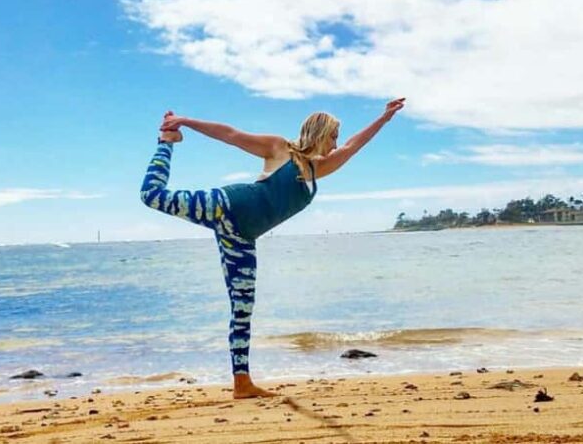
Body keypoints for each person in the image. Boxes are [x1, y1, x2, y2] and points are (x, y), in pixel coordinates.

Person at [140, 97, 405, 399]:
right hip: (226, 206)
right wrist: (184, 122)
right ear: (320, 132)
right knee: (152, 195)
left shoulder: (318, 170)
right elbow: (231, 135)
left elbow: (353, 146)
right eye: (333, 136)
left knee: (243, 308)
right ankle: (166, 142)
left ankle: (242, 383)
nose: (336, 143)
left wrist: (383, 119)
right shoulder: (280, 149)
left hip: (241, 238)